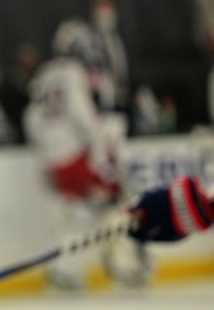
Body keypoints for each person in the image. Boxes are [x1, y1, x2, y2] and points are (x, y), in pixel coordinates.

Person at [23, 19, 145, 290]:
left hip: (53, 161)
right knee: (116, 200)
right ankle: (123, 264)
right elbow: (82, 115)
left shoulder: (44, 74)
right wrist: (99, 147)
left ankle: (63, 269)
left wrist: (46, 155)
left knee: (77, 213)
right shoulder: (74, 72)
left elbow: (30, 118)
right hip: (73, 156)